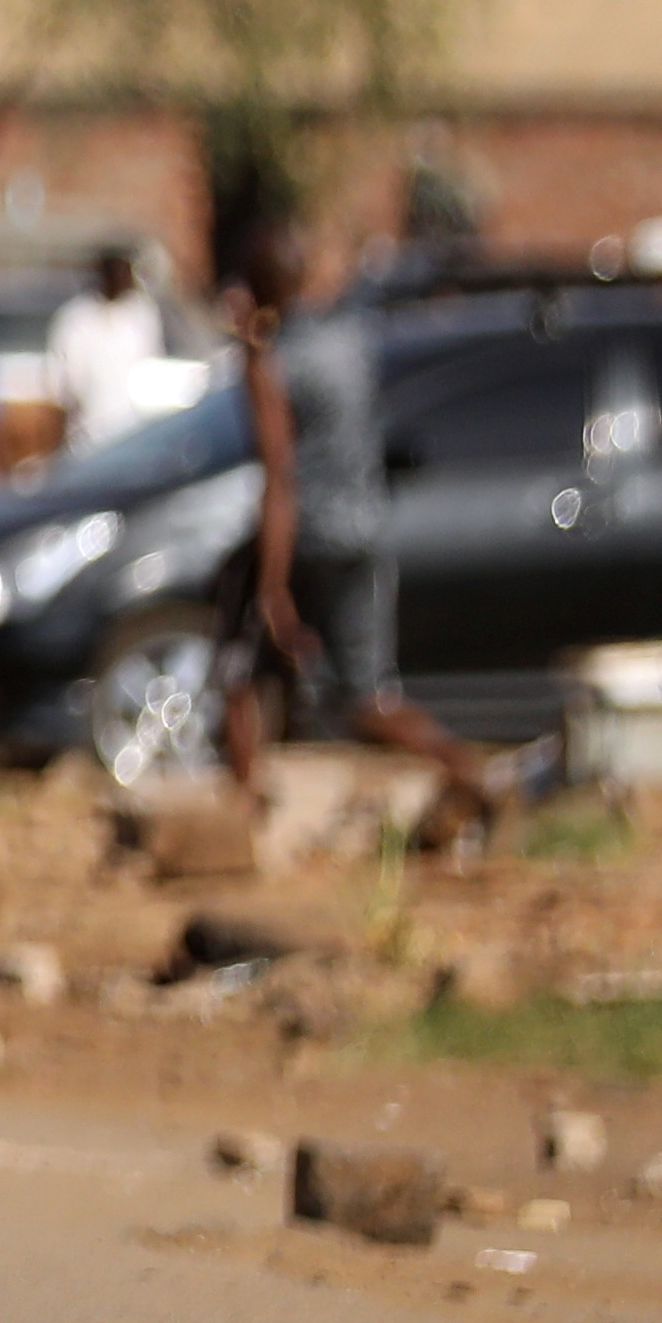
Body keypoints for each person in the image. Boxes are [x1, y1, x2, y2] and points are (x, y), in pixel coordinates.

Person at [217, 183, 487, 840]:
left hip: (310, 536)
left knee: (238, 668)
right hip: (368, 528)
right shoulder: (347, 341)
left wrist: (274, 588)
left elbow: (279, 477)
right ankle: (468, 767)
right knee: (367, 694)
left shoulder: (272, 363)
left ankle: (243, 822)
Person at [44, 245, 163, 456]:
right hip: (87, 440)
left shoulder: (142, 315)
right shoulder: (77, 319)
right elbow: (61, 386)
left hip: (136, 434)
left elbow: (152, 370)